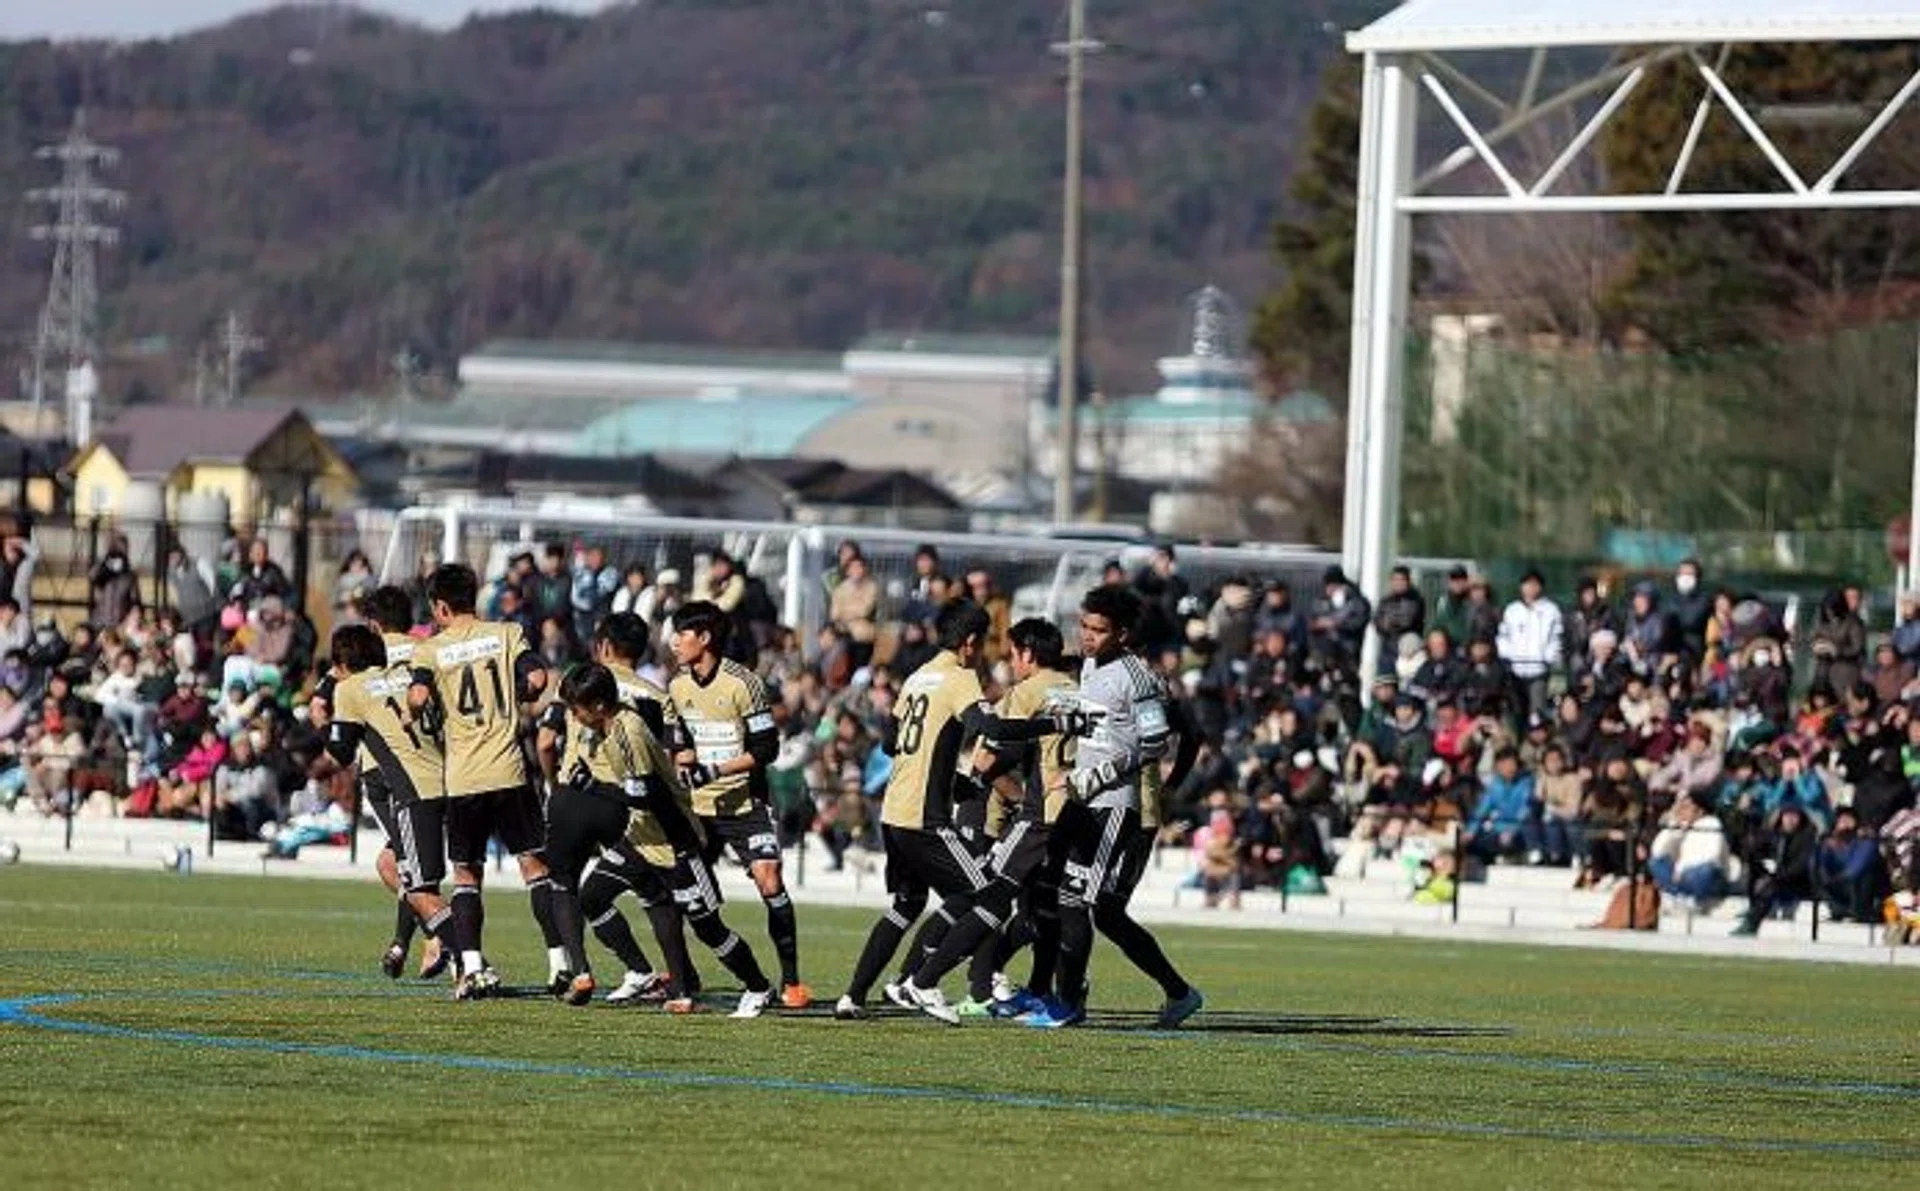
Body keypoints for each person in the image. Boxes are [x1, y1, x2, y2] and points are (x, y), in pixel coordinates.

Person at [837, 601, 1069, 1021]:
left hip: (893, 812)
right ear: (969, 643)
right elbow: (993, 729)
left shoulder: (917, 677)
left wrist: (951, 777)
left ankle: (852, 996)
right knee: (989, 897)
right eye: (981, 646)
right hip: (926, 818)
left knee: (906, 905)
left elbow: (891, 742)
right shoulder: (958, 677)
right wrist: (1051, 725)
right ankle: (923, 983)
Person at [1025, 584, 1203, 1030]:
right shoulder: (1089, 666)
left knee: (1078, 902)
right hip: (1080, 800)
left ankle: (1066, 1003)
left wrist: (1102, 775)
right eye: (1083, 625)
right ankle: (1058, 996)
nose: (1086, 636)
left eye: (1097, 630)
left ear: (1122, 634)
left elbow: (1156, 741)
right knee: (1059, 895)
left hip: (1112, 806)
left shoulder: (1138, 678)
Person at [562, 663, 774, 1015]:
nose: (574, 715)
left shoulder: (626, 732)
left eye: (577, 708)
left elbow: (646, 794)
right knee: (593, 896)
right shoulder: (612, 725)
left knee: (708, 929)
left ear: (599, 706)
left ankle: (758, 986)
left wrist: (593, 787)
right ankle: (656, 978)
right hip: (640, 838)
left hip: (676, 841)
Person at [405, 562, 566, 1000]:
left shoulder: (429, 650)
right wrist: (523, 695)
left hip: (464, 778)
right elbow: (536, 678)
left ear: (439, 607)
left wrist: (413, 710)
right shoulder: (508, 633)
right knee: (534, 867)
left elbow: (419, 696)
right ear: (473, 597)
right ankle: (560, 963)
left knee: (466, 875)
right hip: (510, 770)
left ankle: (472, 967)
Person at [667, 600, 809, 1008]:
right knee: (682, 892)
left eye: (683, 633)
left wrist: (717, 770)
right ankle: (682, 981)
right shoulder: (677, 686)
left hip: (746, 806)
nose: (675, 641)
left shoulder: (744, 683)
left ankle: (792, 983)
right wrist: (685, 761)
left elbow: (767, 748)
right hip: (698, 811)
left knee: (771, 882)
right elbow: (680, 739)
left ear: (705, 639)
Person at [534, 612, 675, 1006]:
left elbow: (545, 741)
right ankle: (676, 975)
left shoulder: (577, 683)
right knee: (652, 892)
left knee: (563, 883)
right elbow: (664, 756)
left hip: (573, 797)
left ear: (604, 646)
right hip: (622, 804)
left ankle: (581, 971)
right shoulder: (655, 695)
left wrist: (553, 784)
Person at [321, 615, 455, 987]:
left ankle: (466, 957)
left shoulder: (351, 689)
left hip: (407, 787)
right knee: (412, 869)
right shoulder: (409, 669)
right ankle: (413, 944)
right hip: (452, 777)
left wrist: (324, 728)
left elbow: (341, 752)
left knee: (414, 881)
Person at [1496, 569, 1562, 720]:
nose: (1530, 588)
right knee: (1516, 712)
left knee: (1536, 714)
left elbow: (1556, 639)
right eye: (1527, 584)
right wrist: (1507, 656)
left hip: (1539, 670)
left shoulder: (1551, 610)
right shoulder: (1512, 610)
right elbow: (1503, 636)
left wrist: (1548, 657)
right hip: (1515, 670)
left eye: (1534, 584)